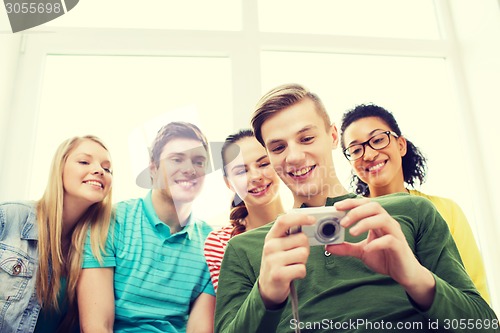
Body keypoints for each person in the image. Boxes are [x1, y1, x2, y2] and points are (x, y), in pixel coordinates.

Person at [213, 83, 497, 332]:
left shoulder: (412, 211)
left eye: (307, 138)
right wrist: (265, 296)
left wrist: (417, 278)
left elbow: (483, 325)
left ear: (333, 136)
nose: (295, 156)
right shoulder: (244, 250)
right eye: (277, 148)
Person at [339, 103, 490, 303]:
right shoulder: (350, 218)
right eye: (356, 150)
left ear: (401, 145)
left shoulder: (445, 210)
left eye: (377, 140)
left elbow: (474, 286)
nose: (368, 155)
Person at [78, 122, 215, 333]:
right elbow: (97, 326)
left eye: (199, 162)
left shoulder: (211, 243)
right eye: (176, 159)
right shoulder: (111, 221)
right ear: (153, 169)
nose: (189, 169)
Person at [0, 135, 113, 333]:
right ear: (60, 168)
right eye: (84, 161)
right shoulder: (10, 217)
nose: (99, 171)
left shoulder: (97, 248)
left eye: (107, 168)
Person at [204, 129, 284, 292]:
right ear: (229, 183)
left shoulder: (306, 221)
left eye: (263, 164)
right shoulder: (221, 242)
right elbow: (235, 312)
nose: (255, 176)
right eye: (241, 171)